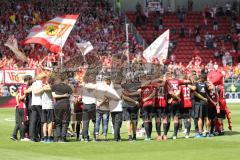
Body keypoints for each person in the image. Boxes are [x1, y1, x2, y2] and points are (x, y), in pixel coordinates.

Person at [189, 73, 212, 138]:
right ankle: (208, 132)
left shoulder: (196, 83)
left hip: (199, 103)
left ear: (200, 78)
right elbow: (211, 88)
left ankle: (200, 133)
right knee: (207, 117)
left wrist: (189, 86)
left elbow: (193, 89)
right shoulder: (205, 84)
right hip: (206, 103)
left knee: (200, 118)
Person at [51, 74, 73, 142]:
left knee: (58, 122)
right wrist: (64, 95)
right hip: (66, 105)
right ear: (65, 80)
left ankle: (58, 138)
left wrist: (61, 96)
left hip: (57, 105)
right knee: (65, 122)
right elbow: (71, 96)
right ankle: (63, 138)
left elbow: (54, 96)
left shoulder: (54, 86)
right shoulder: (68, 87)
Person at [29, 73, 47, 142]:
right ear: (43, 78)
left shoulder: (34, 83)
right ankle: (43, 136)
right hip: (39, 103)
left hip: (34, 104)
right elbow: (36, 92)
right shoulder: (40, 84)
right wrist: (43, 88)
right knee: (42, 120)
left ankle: (33, 137)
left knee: (34, 121)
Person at [41, 77, 55, 142]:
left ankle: (45, 137)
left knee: (44, 123)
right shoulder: (51, 87)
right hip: (49, 106)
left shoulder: (43, 87)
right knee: (50, 123)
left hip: (43, 106)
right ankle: (49, 137)